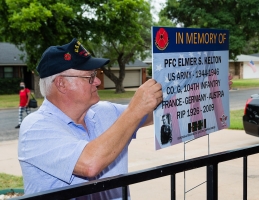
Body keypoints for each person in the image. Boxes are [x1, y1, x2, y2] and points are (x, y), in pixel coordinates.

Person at [18, 38, 233, 199]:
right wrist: (134, 109)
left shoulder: (103, 111)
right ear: (61, 84)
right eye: (90, 77)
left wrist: (208, 88)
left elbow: (156, 112)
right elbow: (90, 163)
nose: (98, 82)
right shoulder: (35, 128)